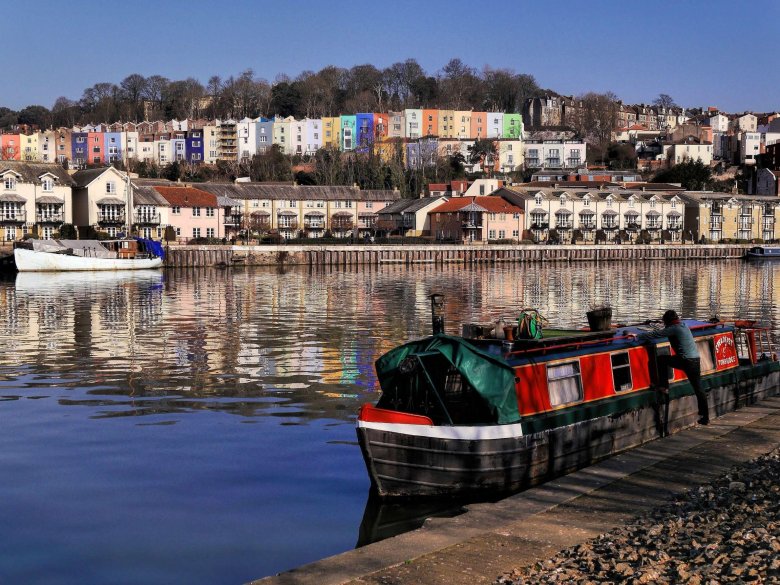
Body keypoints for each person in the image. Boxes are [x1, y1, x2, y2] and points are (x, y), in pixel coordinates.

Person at [629, 310, 709, 425]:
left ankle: (663, 386)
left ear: (667, 321)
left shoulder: (674, 328)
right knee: (699, 389)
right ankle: (705, 416)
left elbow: (656, 334)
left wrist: (638, 336)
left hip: (685, 360)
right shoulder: (683, 325)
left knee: (661, 360)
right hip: (695, 360)